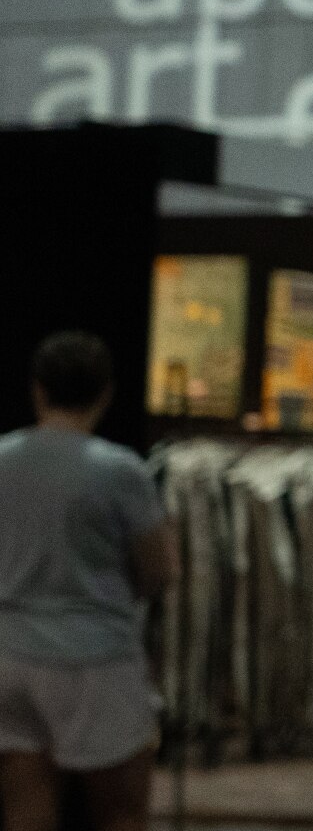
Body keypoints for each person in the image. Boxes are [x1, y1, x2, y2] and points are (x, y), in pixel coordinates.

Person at [0, 332, 177, 831]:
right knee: (121, 813)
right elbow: (160, 568)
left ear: (38, 389)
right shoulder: (119, 470)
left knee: (25, 814)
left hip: (8, 654)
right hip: (96, 660)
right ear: (105, 393)